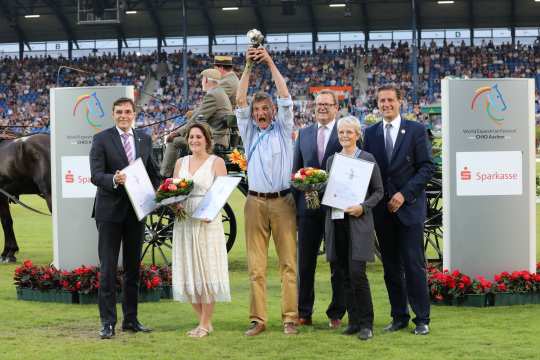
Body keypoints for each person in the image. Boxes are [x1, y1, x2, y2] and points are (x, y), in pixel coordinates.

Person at [236, 47, 298, 336]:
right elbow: (239, 98)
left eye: (265, 110)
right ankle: (258, 320)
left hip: (284, 201)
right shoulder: (248, 132)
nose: (260, 113)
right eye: (257, 111)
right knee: (256, 267)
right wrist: (248, 65)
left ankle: (290, 318)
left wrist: (270, 61)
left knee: (288, 264)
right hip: (254, 203)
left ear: (273, 112)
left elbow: (285, 95)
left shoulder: (284, 130)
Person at [363, 85, 434, 335]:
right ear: (377, 103)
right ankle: (399, 316)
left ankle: (422, 318)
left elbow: (426, 168)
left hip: (409, 209)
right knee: (391, 267)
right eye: (382, 101)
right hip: (383, 212)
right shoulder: (370, 133)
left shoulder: (415, 130)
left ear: (400, 102)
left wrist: (405, 194)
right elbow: (367, 171)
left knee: (414, 265)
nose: (386, 104)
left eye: (390, 100)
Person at [89, 97, 161, 339]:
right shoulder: (101, 139)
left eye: (127, 111)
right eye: (119, 111)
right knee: (108, 269)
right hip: (109, 212)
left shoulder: (145, 139)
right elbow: (96, 175)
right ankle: (107, 322)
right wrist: (113, 180)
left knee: (133, 269)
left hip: (136, 213)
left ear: (134, 114)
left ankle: (131, 320)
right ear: (113, 114)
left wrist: (160, 192)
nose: (123, 115)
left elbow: (153, 172)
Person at [324, 116, 383, 341]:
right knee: (342, 274)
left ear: (358, 135)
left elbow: (378, 191)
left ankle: (366, 323)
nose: (345, 136)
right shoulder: (332, 160)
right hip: (336, 221)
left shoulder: (367, 159)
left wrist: (363, 207)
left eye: (350, 132)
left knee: (357, 273)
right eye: (341, 132)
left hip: (358, 222)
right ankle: (353, 322)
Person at [171, 121, 230, 338]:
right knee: (189, 270)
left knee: (206, 272)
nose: (194, 140)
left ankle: (205, 324)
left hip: (207, 221)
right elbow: (173, 189)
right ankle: (203, 320)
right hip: (184, 221)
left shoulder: (217, 162)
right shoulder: (180, 163)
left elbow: (222, 193)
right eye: (191, 137)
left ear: (207, 139)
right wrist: (174, 203)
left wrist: (211, 212)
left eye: (198, 137)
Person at [292, 89, 345, 328]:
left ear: (336, 107)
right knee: (305, 264)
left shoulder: (345, 133)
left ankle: (336, 312)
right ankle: (304, 312)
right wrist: (295, 210)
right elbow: (295, 172)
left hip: (336, 207)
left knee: (338, 261)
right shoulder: (303, 134)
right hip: (307, 210)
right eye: (318, 104)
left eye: (327, 104)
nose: (322, 108)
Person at [160, 68, 234, 177]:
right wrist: (191, 113)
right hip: (220, 137)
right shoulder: (219, 93)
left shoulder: (212, 95)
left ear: (207, 81)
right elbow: (200, 112)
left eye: (202, 79)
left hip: (214, 140)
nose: (201, 82)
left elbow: (197, 120)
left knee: (173, 141)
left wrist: (177, 133)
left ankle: (164, 176)